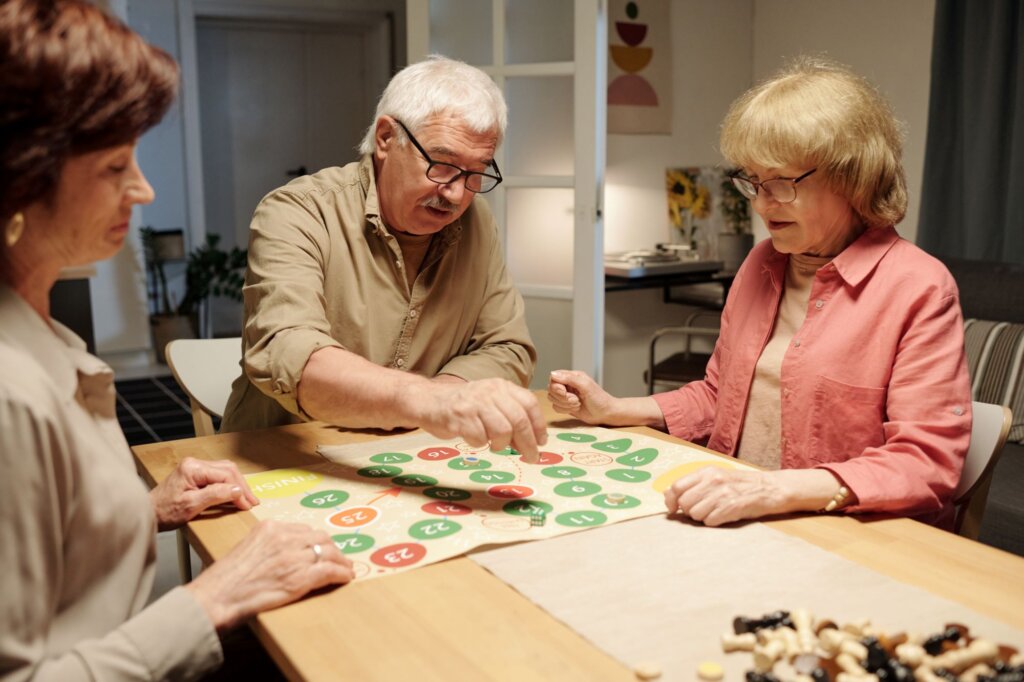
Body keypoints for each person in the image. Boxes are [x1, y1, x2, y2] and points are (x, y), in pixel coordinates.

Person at [0, 2, 353, 679]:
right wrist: (211, 598)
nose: (144, 189)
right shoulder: (10, 393)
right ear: (21, 174)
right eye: (114, 166)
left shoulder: (42, 331)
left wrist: (140, 509)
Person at [549, 57, 971, 528]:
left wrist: (771, 489)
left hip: (844, 533)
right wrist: (614, 408)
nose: (763, 203)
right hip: (742, 513)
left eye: (782, 182)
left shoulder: (919, 288)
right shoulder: (761, 263)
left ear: (855, 177)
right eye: (753, 180)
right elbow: (720, 396)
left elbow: (927, 463)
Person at [220, 56, 546, 461]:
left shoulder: (478, 222)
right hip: (283, 458)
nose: (458, 195)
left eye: (477, 172)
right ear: (387, 138)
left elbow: (508, 347)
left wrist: (444, 399)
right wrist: (430, 402)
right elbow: (291, 350)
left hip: (414, 453)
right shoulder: (297, 211)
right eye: (443, 165)